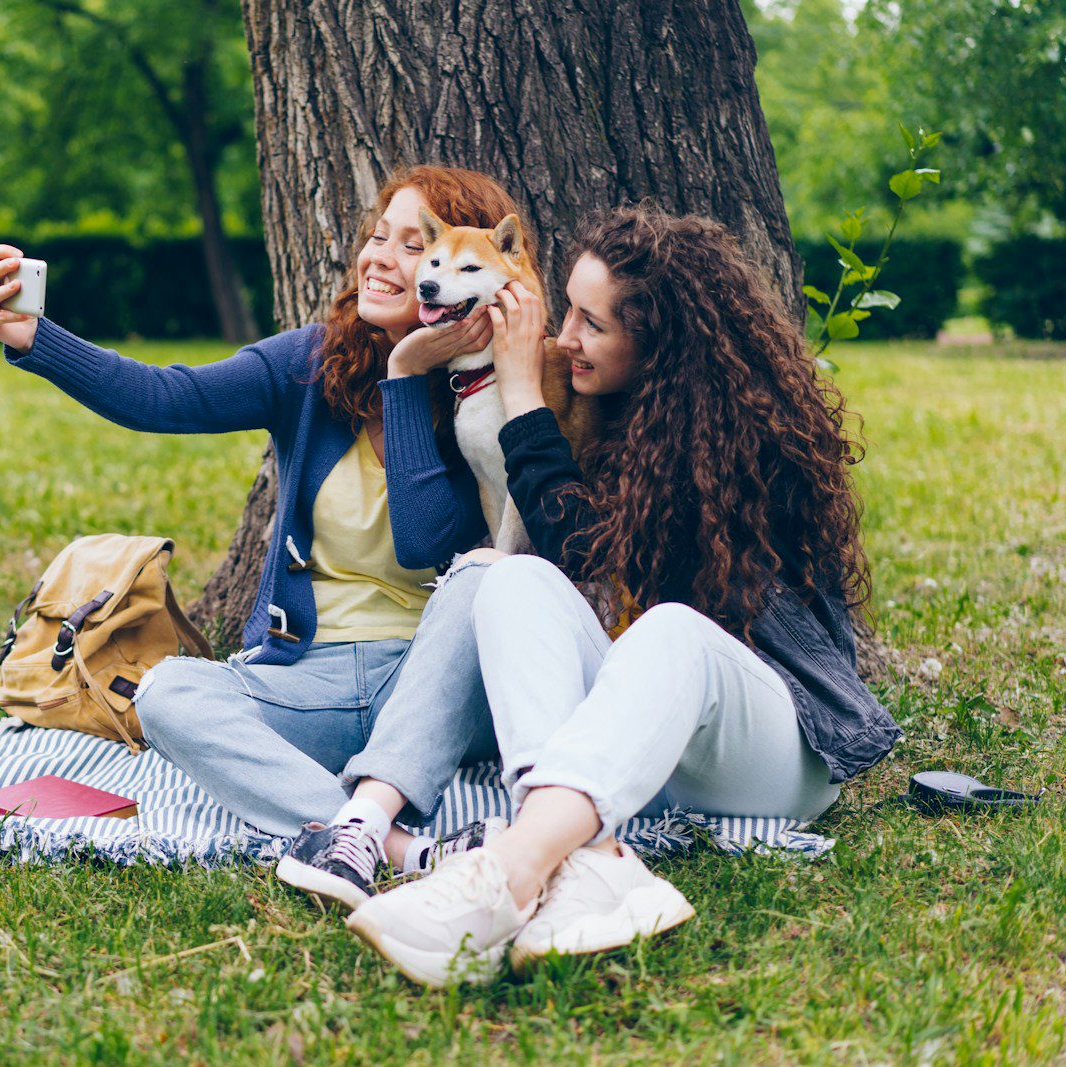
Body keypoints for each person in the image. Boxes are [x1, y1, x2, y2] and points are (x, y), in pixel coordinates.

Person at [344, 206, 903, 987]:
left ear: (661, 346)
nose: (563, 335)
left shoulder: (736, 441)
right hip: (644, 749)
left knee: (672, 627)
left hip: (778, 745)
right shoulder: (600, 409)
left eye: (591, 324)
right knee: (510, 577)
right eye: (566, 308)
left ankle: (509, 871)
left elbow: (595, 555)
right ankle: (589, 864)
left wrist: (520, 396)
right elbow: (560, 565)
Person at [0, 166, 534, 909]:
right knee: (169, 690)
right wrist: (34, 338)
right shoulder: (310, 364)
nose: (384, 258)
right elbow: (164, 395)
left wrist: (406, 374)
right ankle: (391, 844)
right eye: (380, 237)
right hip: (310, 680)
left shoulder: (493, 393)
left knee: (483, 574)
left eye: (416, 244)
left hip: (430, 685)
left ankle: (361, 830)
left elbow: (426, 540)